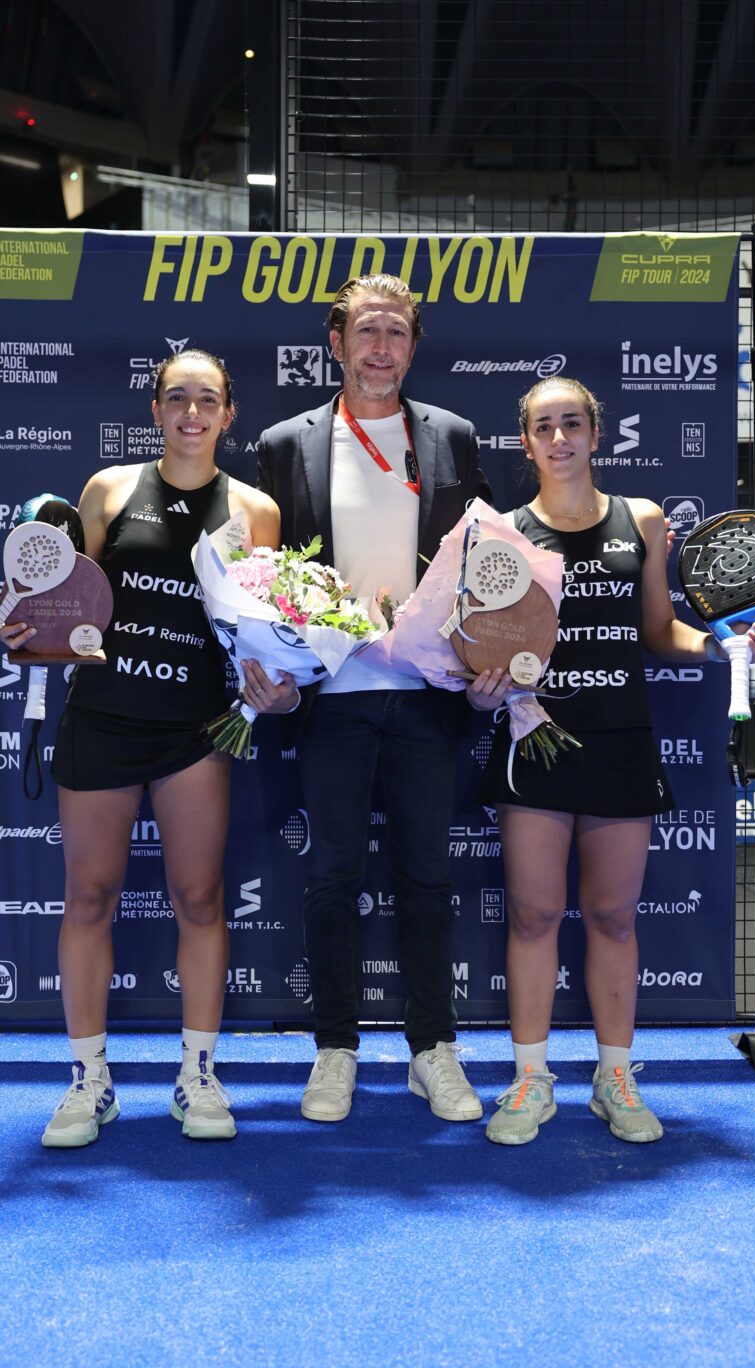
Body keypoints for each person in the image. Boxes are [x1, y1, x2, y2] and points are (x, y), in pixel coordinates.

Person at [468, 376, 755, 1147]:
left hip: (622, 742)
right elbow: (480, 646)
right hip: (534, 742)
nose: (559, 438)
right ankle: (530, 1079)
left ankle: (614, 1077)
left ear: (596, 435)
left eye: (572, 423)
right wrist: (480, 686)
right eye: (544, 427)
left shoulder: (643, 520)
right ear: (526, 442)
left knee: (611, 916)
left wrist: (722, 647)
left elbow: (659, 631)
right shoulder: (502, 533)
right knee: (534, 914)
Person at [247, 273, 492, 1124]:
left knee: (427, 877)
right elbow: (263, 572)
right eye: (366, 332)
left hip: (427, 695)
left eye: (396, 333)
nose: (380, 349)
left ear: (413, 348)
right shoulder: (286, 443)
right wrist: (272, 662)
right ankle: (334, 1051)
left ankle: (434, 1051)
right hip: (331, 698)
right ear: (337, 343)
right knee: (330, 879)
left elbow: (480, 564)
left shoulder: (452, 436)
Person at [41, 348, 293, 1148]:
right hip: (103, 720)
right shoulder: (109, 490)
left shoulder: (254, 510)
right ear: (155, 410)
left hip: (194, 731)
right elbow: (66, 605)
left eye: (207, 399)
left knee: (201, 899)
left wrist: (279, 685)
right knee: (88, 897)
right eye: (177, 398)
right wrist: (27, 631)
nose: (191, 413)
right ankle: (89, 1080)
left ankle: (198, 1075)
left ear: (228, 414)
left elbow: (263, 631)